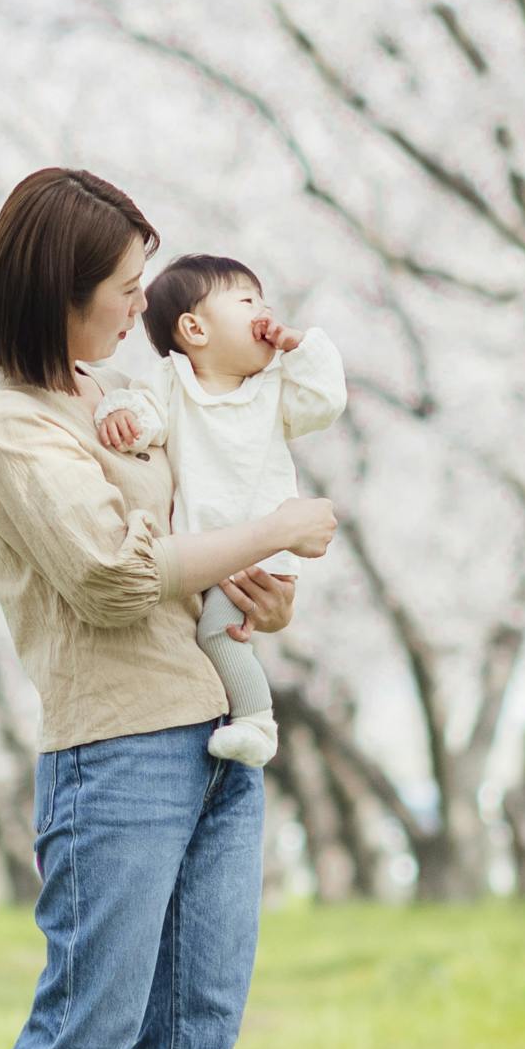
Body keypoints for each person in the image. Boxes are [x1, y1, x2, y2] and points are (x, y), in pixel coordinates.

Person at [0, 169, 347, 1049]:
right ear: (53, 291)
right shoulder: (15, 422)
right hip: (116, 748)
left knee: (197, 1034)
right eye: (120, 290)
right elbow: (117, 582)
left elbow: (188, 546)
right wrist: (275, 531)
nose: (137, 308)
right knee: (88, 1031)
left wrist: (252, 592)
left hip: (216, 729)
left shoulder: (121, 398)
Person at [95, 254, 350, 769]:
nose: (264, 310)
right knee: (214, 631)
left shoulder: (274, 389)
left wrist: (301, 346)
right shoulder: (174, 382)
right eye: (247, 300)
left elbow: (326, 402)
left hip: (264, 556)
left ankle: (256, 720)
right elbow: (145, 414)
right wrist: (120, 416)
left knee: (219, 631)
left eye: (265, 301)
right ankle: (245, 717)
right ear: (194, 328)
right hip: (203, 549)